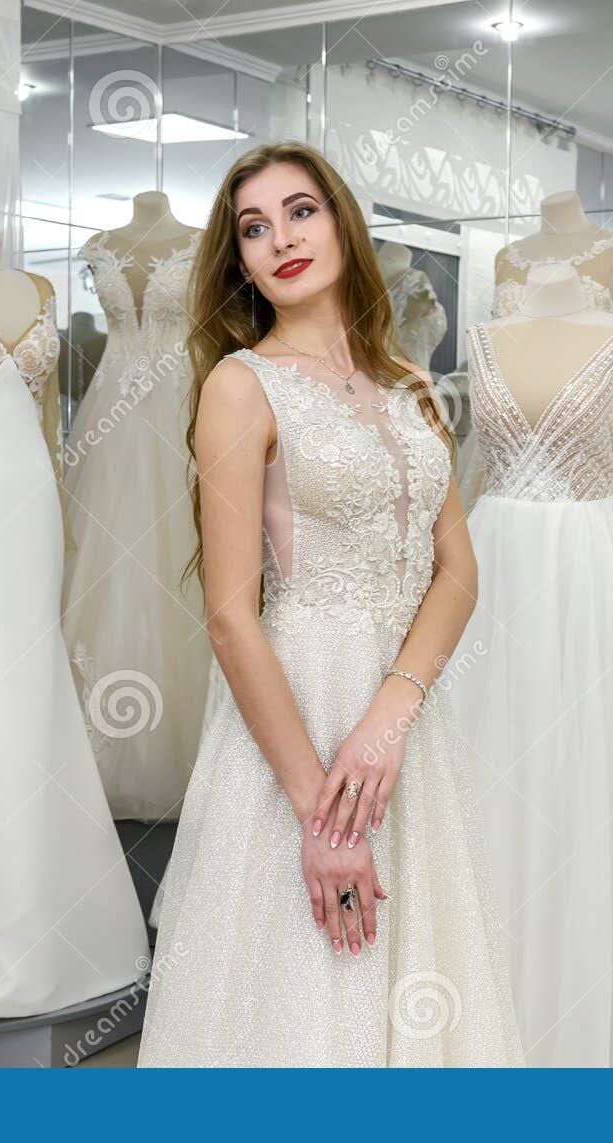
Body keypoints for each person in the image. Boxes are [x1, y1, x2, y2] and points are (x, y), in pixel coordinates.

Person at [136, 141, 521, 1066]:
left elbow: (458, 573)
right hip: (299, 708)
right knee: (308, 984)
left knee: (419, 963)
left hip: (405, 716)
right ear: (241, 263)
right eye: (254, 229)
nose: (281, 240)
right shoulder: (241, 386)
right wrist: (324, 816)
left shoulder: (411, 385)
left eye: (300, 211)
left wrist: (394, 707)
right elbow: (230, 613)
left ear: (342, 221)